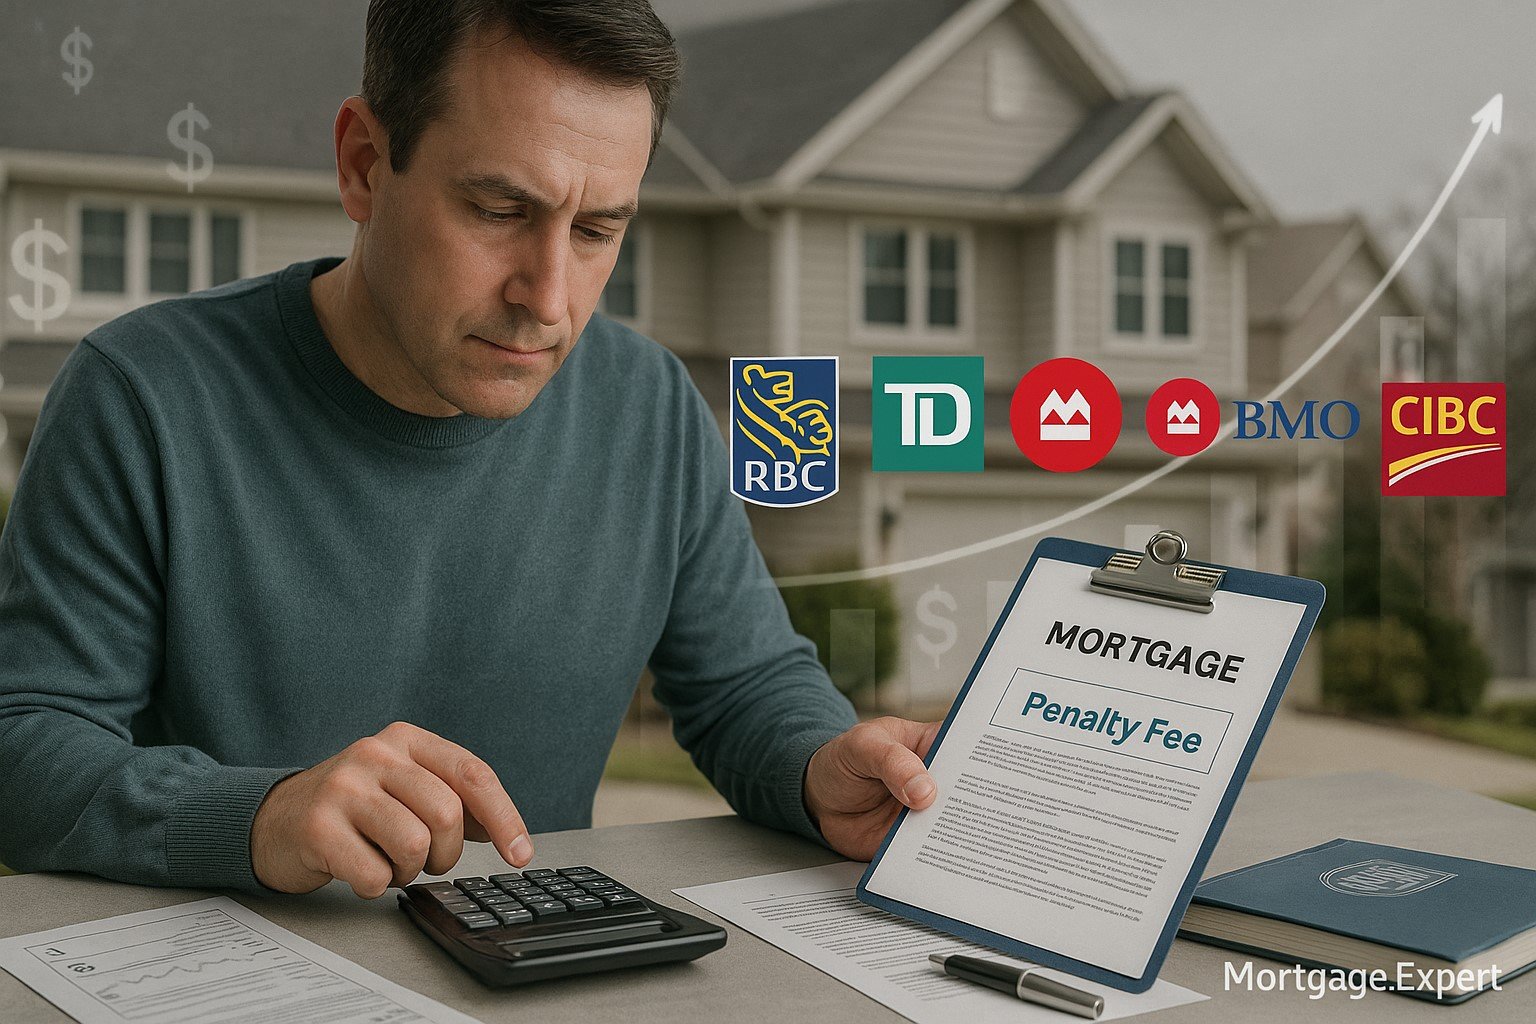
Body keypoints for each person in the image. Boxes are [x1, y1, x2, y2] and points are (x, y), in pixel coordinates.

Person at [0, 0, 940, 899]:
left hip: (533, 972)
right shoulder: (142, 395)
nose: (549, 296)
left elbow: (746, 685)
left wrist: (823, 768)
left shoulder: (650, 405)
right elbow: (24, 743)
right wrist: (259, 816)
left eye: (599, 230)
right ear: (365, 164)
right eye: (498, 210)